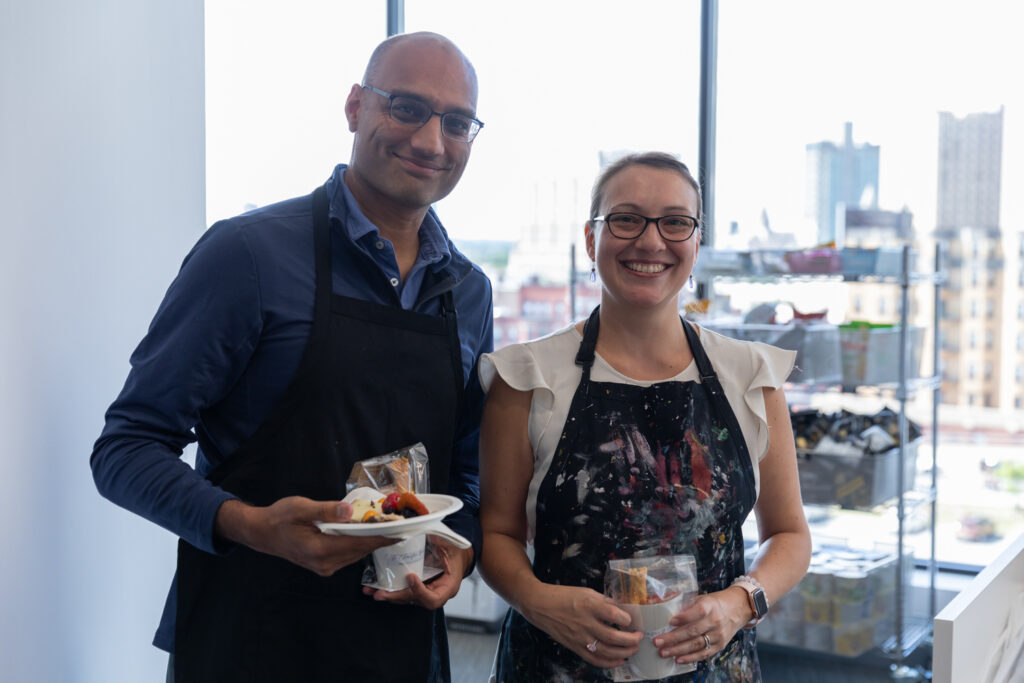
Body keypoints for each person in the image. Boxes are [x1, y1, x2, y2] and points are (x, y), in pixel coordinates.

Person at [90, 31, 492, 683]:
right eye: (407, 108)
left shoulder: (468, 292)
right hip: (249, 637)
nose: (429, 141)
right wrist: (249, 523)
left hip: (400, 645)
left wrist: (460, 549)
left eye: (456, 122)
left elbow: (469, 475)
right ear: (356, 106)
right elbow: (125, 449)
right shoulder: (247, 255)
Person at [477, 152, 811, 681]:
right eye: (626, 219)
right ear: (591, 240)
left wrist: (740, 603)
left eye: (676, 222)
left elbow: (790, 535)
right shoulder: (528, 377)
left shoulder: (751, 377)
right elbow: (496, 533)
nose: (651, 242)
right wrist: (539, 601)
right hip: (554, 667)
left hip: (717, 670)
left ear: (696, 243)